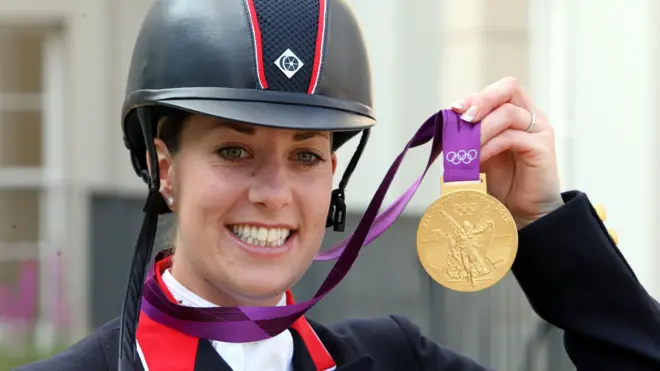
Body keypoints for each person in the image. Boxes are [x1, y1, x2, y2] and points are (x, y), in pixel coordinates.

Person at [14, 0, 660, 370]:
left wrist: (542, 222)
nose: (274, 193)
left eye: (305, 156)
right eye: (234, 149)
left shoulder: (397, 360)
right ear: (165, 167)